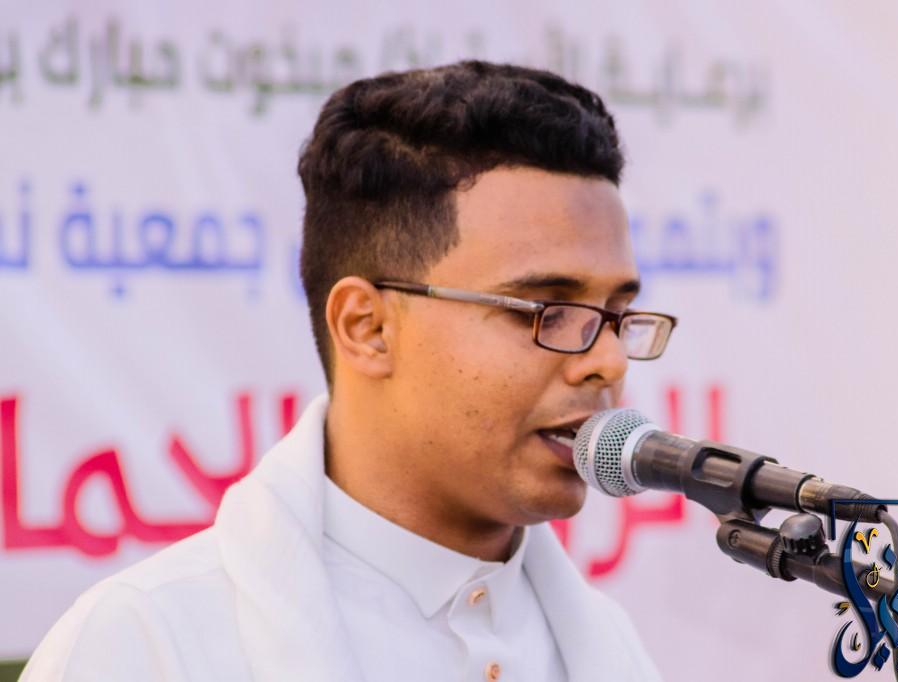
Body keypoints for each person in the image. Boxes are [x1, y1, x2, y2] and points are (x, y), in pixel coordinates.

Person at [22, 60, 676, 681]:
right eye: (549, 311)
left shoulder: (605, 644)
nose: (608, 361)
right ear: (367, 328)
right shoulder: (150, 644)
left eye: (617, 314)